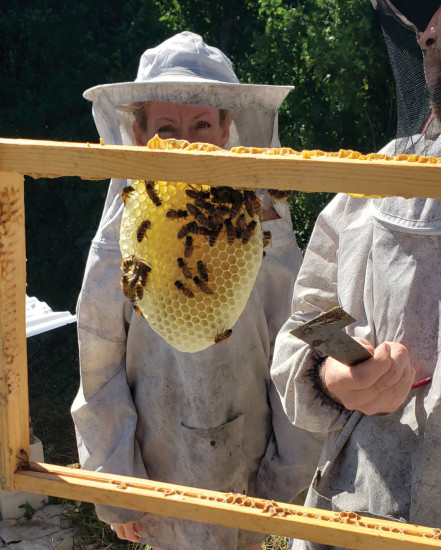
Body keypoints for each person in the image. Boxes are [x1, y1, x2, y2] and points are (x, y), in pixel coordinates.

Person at [72, 31, 322, 550]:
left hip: (247, 458)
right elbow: (99, 357)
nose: (186, 141)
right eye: (166, 127)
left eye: (202, 124)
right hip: (160, 461)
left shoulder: (260, 218)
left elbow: (292, 342)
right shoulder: (125, 223)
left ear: (227, 126)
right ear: (138, 134)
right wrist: (118, 483)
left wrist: (285, 475)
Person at [271, 2, 441, 549]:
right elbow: (308, 323)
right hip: (355, 518)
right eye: (428, 16)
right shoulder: (381, 176)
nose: (430, 32)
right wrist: (334, 375)